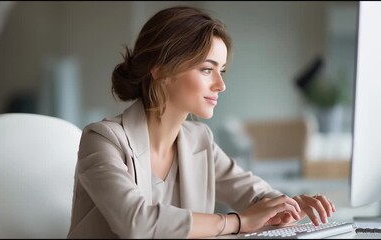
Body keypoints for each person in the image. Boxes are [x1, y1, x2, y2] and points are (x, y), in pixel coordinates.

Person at [67, 5, 336, 239]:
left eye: (221, 71)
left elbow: (256, 196)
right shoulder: (102, 139)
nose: (221, 85)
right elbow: (137, 223)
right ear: (161, 70)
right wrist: (237, 222)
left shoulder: (199, 139)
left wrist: (288, 206)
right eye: (207, 69)